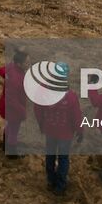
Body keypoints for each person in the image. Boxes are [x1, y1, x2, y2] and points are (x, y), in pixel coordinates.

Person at [33, 64, 84, 194]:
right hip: (65, 133)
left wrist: (41, 124)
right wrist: (80, 130)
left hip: (50, 129)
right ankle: (61, 185)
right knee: (63, 158)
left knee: (50, 155)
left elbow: (38, 109)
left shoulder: (44, 92)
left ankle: (51, 180)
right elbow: (76, 116)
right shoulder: (70, 96)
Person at [0, 49, 28, 154]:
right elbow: (12, 100)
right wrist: (22, 111)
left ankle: (5, 144)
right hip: (13, 109)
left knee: (10, 125)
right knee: (14, 130)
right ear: (19, 64)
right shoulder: (16, 79)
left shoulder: (11, 68)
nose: (29, 64)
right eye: (27, 62)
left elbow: (1, 70)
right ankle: (12, 152)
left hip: (6, 106)